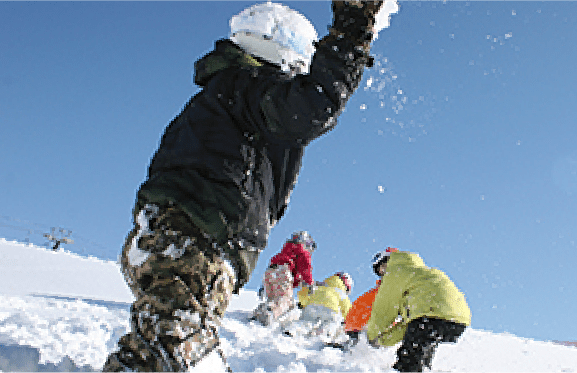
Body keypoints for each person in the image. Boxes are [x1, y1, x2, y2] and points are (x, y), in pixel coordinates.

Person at [102, 1, 387, 372]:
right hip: (195, 236)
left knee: (175, 346)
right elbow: (313, 105)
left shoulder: (226, 96)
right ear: (276, 45)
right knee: (174, 350)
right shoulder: (248, 87)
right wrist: (351, 32)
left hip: (189, 238)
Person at [366, 250, 471, 373]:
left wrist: (372, 336)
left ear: (388, 262)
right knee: (420, 356)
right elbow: (407, 326)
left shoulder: (396, 271)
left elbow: (384, 309)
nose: (382, 274)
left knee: (408, 362)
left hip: (431, 317)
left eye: (381, 269)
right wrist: (383, 340)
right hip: (457, 321)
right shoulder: (419, 277)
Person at [251, 231, 316, 326]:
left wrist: (263, 286)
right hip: (283, 272)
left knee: (273, 298)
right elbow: (306, 268)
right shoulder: (302, 251)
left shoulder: (286, 251)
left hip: (270, 273)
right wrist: (309, 283)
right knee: (285, 300)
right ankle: (268, 314)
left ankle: (259, 313)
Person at [342, 247, 398, 348]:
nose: (384, 272)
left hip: (369, 334)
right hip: (359, 333)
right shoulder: (381, 289)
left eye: (387, 267)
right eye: (381, 269)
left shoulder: (392, 288)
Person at [283, 272, 353, 341]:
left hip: (313, 304)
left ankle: (291, 330)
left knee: (306, 321)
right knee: (332, 322)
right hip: (330, 308)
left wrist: (302, 303)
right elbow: (346, 307)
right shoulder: (341, 290)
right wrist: (347, 320)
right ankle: (325, 335)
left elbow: (306, 292)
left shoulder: (322, 284)